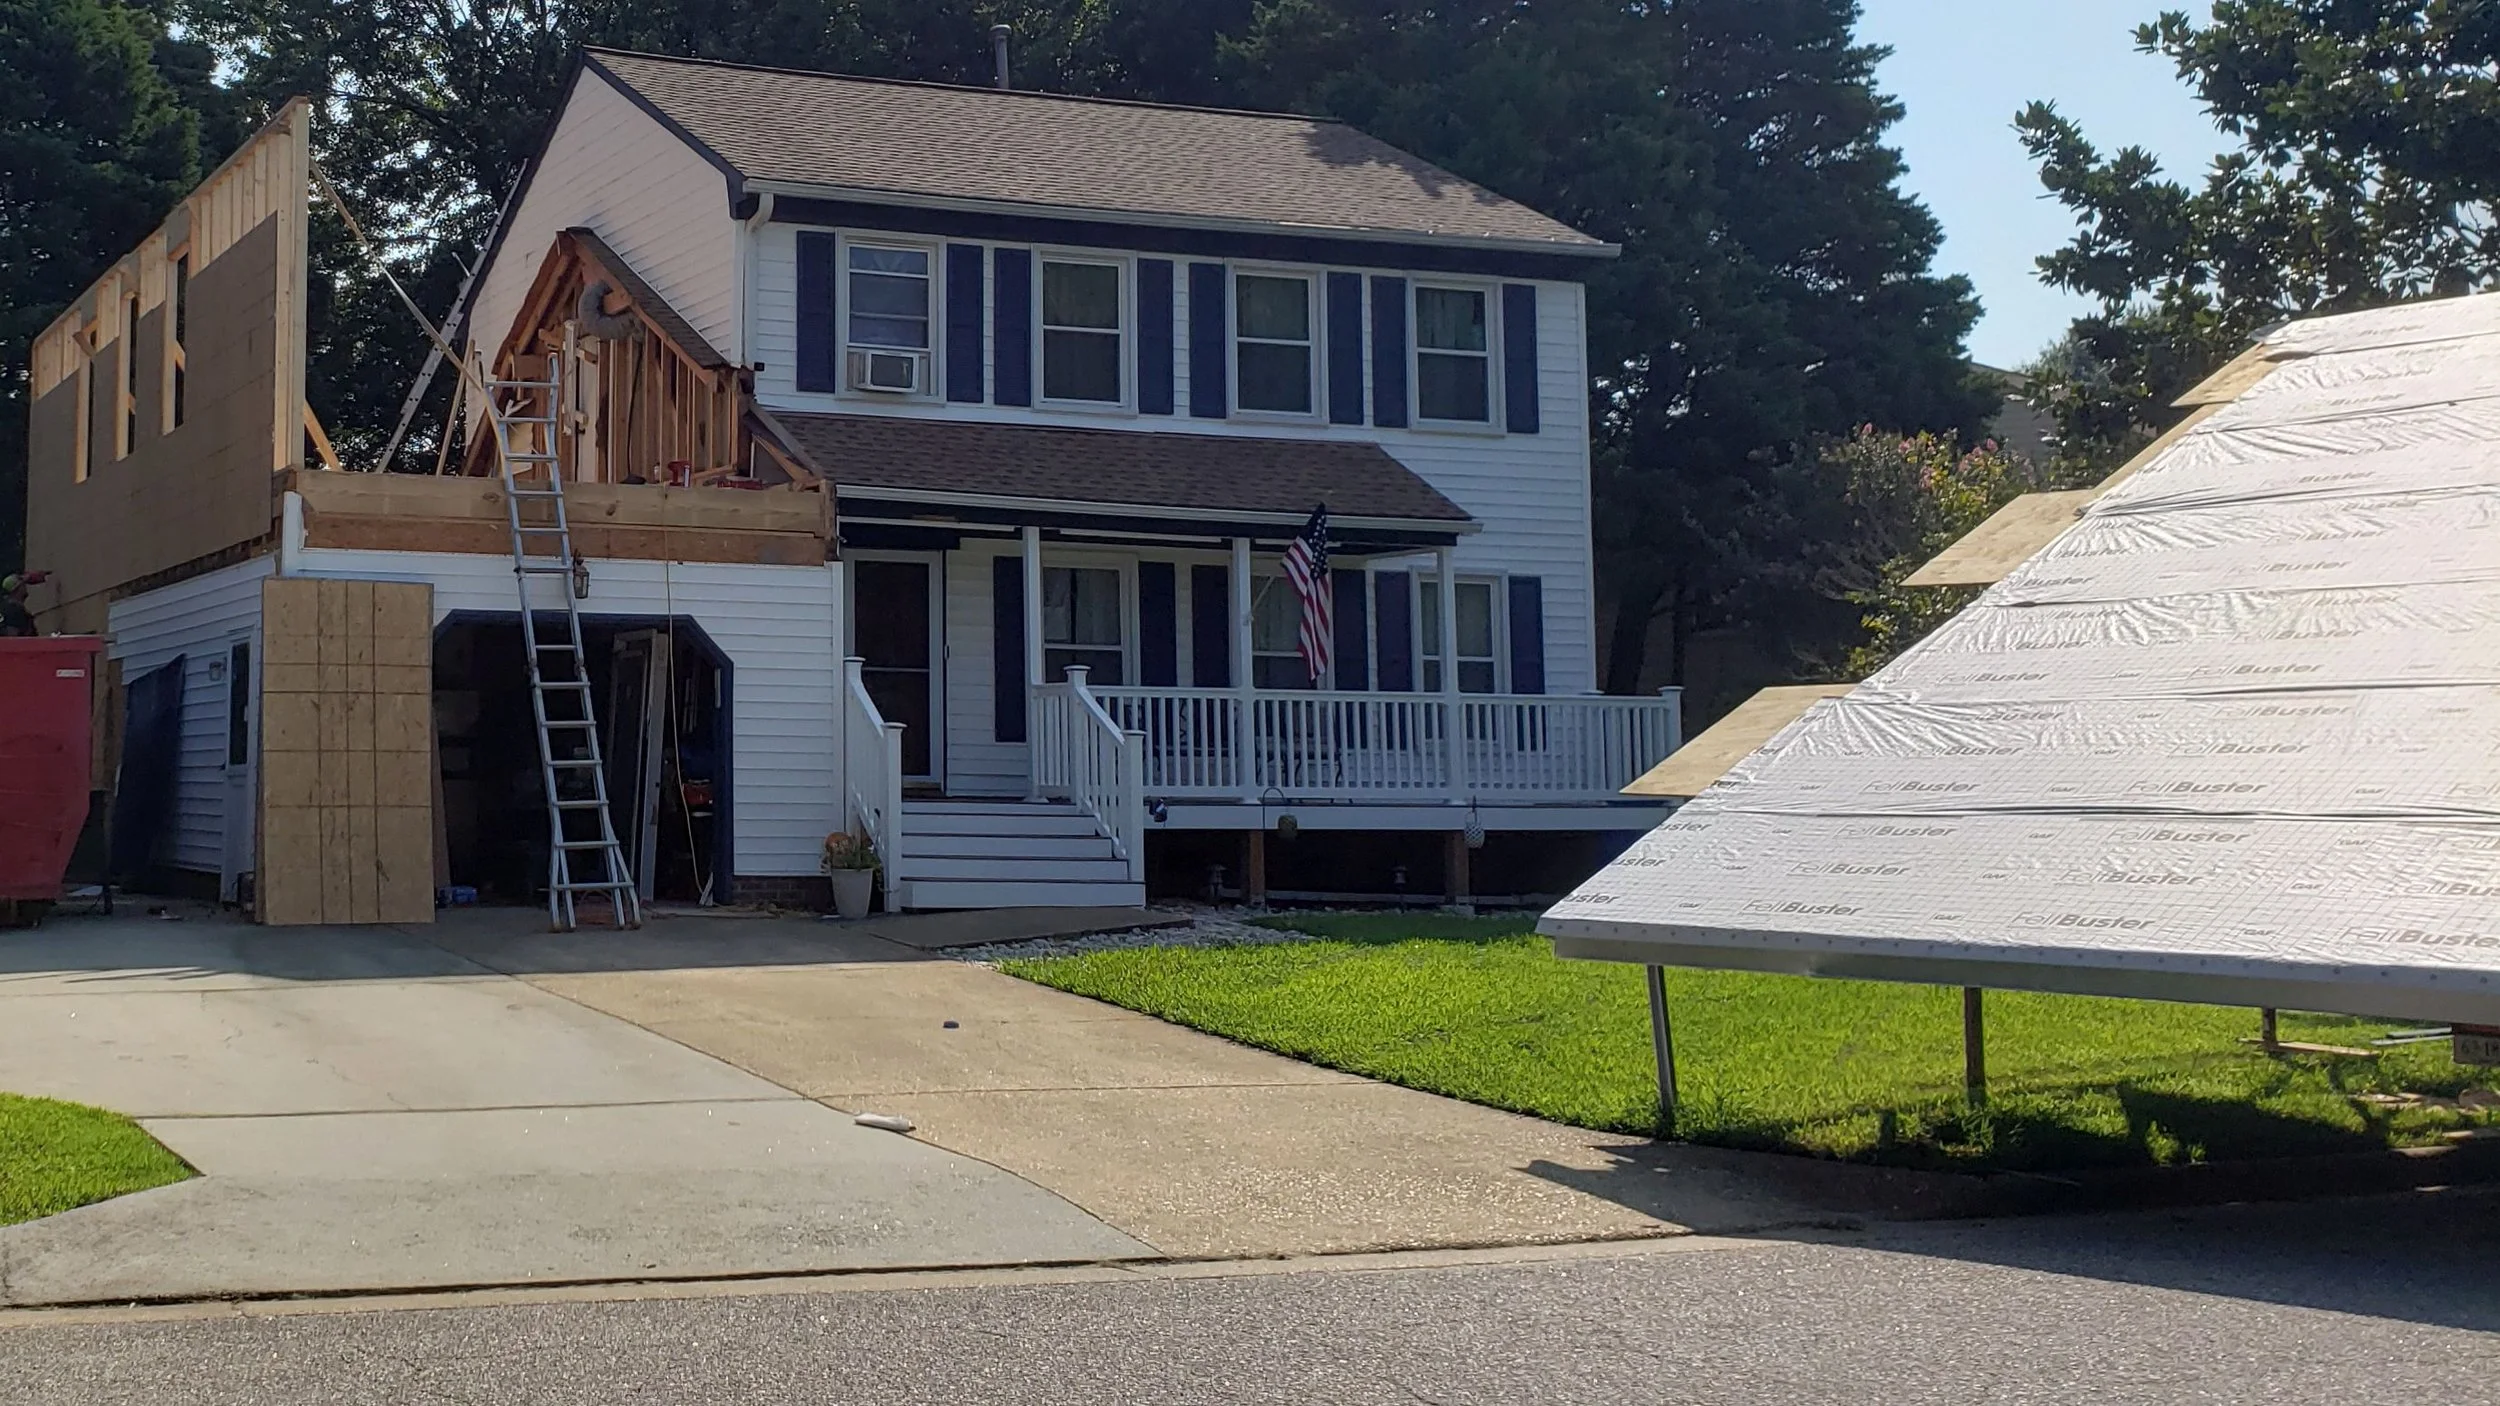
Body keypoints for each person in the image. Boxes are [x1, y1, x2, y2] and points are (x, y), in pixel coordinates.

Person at [0, 570, 45, 637]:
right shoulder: (13, 609)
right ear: (18, 589)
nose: (25, 587)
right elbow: (12, 635)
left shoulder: (5, 607)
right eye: (23, 585)